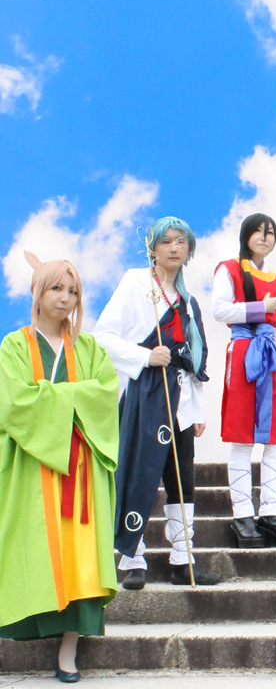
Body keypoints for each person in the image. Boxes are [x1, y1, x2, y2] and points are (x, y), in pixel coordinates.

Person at [0, 253, 119, 682]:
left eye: (73, 291)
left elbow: (106, 394)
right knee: (36, 547)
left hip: (81, 469)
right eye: (56, 288)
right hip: (34, 467)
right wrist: (72, 397)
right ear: (36, 290)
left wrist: (51, 397)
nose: (65, 298)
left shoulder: (88, 348)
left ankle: (70, 648)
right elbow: (14, 402)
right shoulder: (14, 347)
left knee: (80, 554)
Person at [93, 216, 221, 589]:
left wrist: (198, 410)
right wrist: (145, 356)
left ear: (189, 248)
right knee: (139, 472)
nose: (174, 247)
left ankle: (184, 559)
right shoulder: (135, 283)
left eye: (181, 241)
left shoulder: (188, 301)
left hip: (182, 400)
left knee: (182, 480)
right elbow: (102, 337)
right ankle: (132, 559)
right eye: (166, 241)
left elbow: (194, 360)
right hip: (146, 393)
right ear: (152, 248)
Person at [212, 213, 276, 548]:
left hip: (272, 362)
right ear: (246, 235)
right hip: (243, 354)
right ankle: (242, 516)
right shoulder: (229, 269)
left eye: (270, 233)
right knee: (242, 439)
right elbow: (219, 310)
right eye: (259, 231)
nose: (265, 237)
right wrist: (258, 308)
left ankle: (272, 514)